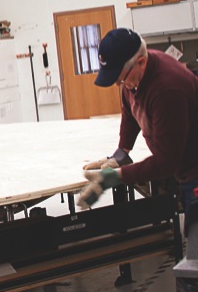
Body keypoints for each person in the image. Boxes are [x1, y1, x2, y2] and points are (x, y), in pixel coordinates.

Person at [77, 28, 198, 213]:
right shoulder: (134, 77)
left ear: (140, 62)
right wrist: (121, 154)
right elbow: (129, 112)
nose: (119, 84)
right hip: (184, 169)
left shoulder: (168, 89)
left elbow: (167, 161)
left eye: (121, 79)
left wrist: (115, 177)